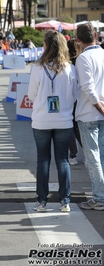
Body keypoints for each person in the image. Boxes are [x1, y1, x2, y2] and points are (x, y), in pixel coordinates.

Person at [27, 30, 77, 212]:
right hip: (64, 120)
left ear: (46, 46)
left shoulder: (38, 68)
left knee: (43, 161)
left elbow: (31, 95)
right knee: (63, 160)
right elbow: (74, 96)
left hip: (42, 120)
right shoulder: (70, 69)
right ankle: (65, 201)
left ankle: (42, 202)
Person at [74, 23, 104, 211]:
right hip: (99, 112)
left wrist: (100, 108)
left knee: (93, 157)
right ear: (95, 35)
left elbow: (88, 88)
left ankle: (100, 198)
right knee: (101, 155)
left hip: (89, 113)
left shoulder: (83, 58)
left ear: (78, 40)